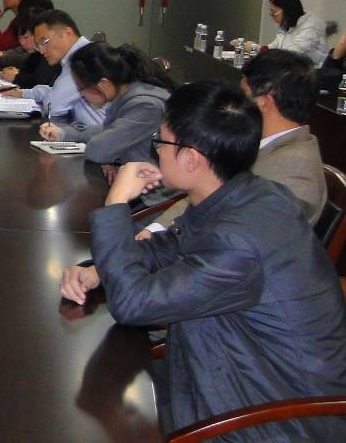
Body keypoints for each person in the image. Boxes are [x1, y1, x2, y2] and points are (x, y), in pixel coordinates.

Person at [58, 82, 346, 440]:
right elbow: (170, 247)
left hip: (268, 417)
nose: (155, 151)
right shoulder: (246, 194)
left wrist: (116, 203)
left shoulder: (240, 239)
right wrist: (100, 270)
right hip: (227, 369)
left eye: (160, 142)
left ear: (191, 158)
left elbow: (133, 304)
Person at [39, 42, 174, 164]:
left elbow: (98, 151)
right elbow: (110, 130)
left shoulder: (145, 106)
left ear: (103, 84)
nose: (81, 95)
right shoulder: (128, 97)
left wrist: (112, 157)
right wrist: (64, 133)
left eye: (82, 88)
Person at [241, 49, 327, 223]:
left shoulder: (294, 173)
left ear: (264, 102)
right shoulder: (266, 146)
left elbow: (252, 232)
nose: (236, 107)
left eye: (242, 95)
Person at [1, 10, 104, 125]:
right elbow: (57, 92)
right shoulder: (79, 54)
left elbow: (53, 107)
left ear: (68, 33)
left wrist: (48, 97)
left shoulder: (83, 59)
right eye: (38, 46)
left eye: (44, 42)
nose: (42, 51)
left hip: (101, 134)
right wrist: (25, 93)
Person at [243, 0, 329, 66]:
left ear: (287, 10)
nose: (273, 18)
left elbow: (289, 56)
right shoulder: (289, 25)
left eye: (274, 13)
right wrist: (255, 48)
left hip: (311, 74)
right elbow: (274, 47)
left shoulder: (310, 28)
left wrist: (256, 49)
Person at [0, 0, 53, 68]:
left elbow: (31, 59)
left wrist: (1, 58)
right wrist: (3, 54)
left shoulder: (51, 47)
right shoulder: (20, 25)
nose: (22, 42)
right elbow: (21, 49)